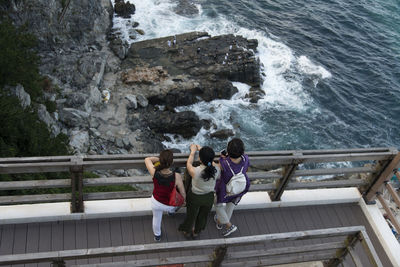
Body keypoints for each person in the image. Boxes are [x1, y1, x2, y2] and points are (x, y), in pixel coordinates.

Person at [179, 144, 220, 239]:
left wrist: (193, 151)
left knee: (191, 215)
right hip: (209, 198)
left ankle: (187, 230)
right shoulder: (216, 169)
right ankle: (197, 231)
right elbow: (211, 163)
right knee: (203, 216)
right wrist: (203, 150)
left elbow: (188, 163)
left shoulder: (195, 171)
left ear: (200, 160)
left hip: (195, 197)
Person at [145, 150, 186, 242]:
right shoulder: (177, 176)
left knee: (156, 218)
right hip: (169, 204)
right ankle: (171, 212)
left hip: (156, 202)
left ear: (161, 160)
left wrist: (159, 159)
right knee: (172, 208)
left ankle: (157, 236)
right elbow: (182, 192)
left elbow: (147, 159)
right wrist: (184, 200)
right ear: (171, 163)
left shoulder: (154, 172)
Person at [214, 138, 250, 237]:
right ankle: (219, 222)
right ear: (242, 151)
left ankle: (225, 224)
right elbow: (245, 168)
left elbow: (220, 166)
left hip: (226, 190)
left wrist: (223, 157)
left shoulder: (224, 163)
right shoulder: (245, 159)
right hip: (239, 188)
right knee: (230, 206)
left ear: (228, 151)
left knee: (218, 205)